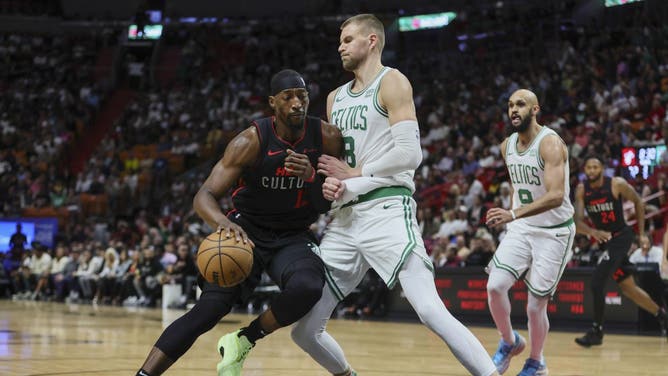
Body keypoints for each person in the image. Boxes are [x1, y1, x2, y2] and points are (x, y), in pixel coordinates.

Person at [289, 14, 497, 376]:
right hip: (345, 217)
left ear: (372, 41)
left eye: (348, 39)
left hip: (386, 207)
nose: (340, 46)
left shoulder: (393, 81)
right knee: (304, 330)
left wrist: (357, 173)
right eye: (340, 40)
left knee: (430, 311)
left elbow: (410, 153)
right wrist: (333, 182)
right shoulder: (335, 98)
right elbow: (341, 163)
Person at [136, 69, 342, 376]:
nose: (297, 103)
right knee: (209, 311)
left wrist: (311, 178)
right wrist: (222, 221)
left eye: (302, 96)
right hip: (246, 231)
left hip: (294, 235)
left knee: (308, 287)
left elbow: (326, 203)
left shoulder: (326, 137)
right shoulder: (250, 141)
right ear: (274, 103)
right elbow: (204, 194)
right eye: (288, 97)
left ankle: (245, 338)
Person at [485, 89, 575, 375]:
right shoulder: (506, 146)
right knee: (494, 286)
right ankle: (510, 342)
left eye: (521, 104)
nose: (514, 109)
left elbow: (556, 195)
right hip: (523, 228)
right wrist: (515, 214)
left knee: (536, 306)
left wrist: (512, 213)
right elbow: (518, 184)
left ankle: (536, 362)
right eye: (510, 105)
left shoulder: (550, 144)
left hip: (554, 232)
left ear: (535, 109)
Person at [573, 157, 667, 347]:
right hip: (606, 241)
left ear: (602, 169)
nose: (592, 170)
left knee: (597, 282)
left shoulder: (617, 184)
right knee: (628, 288)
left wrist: (641, 234)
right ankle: (662, 316)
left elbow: (639, 202)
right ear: (585, 170)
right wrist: (593, 232)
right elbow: (577, 222)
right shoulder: (582, 190)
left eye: (595, 167)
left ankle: (597, 332)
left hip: (621, 237)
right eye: (588, 167)